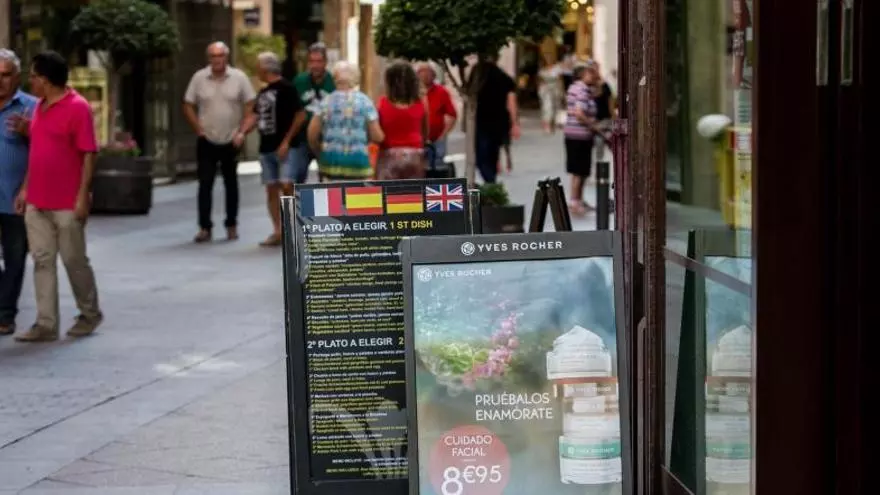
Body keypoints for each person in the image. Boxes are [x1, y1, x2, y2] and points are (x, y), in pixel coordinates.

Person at [10, 51, 102, 342]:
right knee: (42, 261)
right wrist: (25, 189)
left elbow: (88, 154)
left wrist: (83, 196)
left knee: (74, 260)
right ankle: (46, 324)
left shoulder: (78, 107)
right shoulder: (39, 107)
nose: (30, 81)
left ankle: (89, 314)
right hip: (37, 200)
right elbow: (38, 152)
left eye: (33, 76)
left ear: (46, 80)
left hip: (67, 202)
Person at [183, 41, 256, 243]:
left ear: (226, 57)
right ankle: (204, 227)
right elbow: (188, 104)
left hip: (231, 139)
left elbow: (251, 105)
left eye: (220, 55)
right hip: (206, 138)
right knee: (205, 184)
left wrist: (242, 132)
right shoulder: (199, 78)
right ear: (209, 58)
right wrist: (198, 129)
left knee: (231, 184)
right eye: (213, 56)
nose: (217, 60)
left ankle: (231, 224)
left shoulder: (239, 78)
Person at [242, 52, 306, 247]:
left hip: (287, 147)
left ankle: (292, 229)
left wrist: (286, 141)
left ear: (265, 68)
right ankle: (278, 231)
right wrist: (241, 133)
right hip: (267, 147)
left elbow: (300, 115)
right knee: (271, 188)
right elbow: (255, 116)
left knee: (287, 185)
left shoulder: (288, 88)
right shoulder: (263, 93)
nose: (256, 70)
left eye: (258, 66)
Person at [0, 49, 36, 337]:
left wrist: (31, 132)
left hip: (16, 197)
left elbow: (46, 152)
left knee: (14, 259)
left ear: (17, 77)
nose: (0, 81)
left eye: (5, 75)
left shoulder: (32, 108)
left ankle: (5, 314)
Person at [307, 61, 384, 182]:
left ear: (335, 79)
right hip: (358, 164)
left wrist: (319, 152)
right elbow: (377, 136)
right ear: (355, 78)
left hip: (330, 164)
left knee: (332, 194)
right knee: (356, 194)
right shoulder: (365, 102)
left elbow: (312, 135)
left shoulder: (325, 102)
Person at [376, 62, 427, 180]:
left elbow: (378, 132)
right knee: (414, 189)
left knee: (387, 189)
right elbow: (425, 131)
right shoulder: (421, 102)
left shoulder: (382, 103)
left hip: (389, 154)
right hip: (415, 153)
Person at [474, 56, 520, 184]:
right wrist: (514, 123)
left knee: (483, 155)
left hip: (483, 121)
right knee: (491, 152)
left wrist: (514, 123)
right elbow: (511, 101)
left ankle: (490, 180)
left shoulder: (477, 77)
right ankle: (491, 180)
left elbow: (511, 101)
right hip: (498, 121)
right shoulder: (503, 77)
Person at [293, 43, 336, 180]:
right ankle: (295, 198)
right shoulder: (299, 81)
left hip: (327, 139)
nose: (315, 65)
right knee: (295, 177)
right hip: (302, 138)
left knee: (328, 179)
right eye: (312, 61)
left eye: (319, 61)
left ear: (325, 62)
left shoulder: (334, 82)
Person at [563, 63, 599, 216]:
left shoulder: (574, 88)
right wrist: (593, 125)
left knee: (578, 170)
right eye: (590, 73)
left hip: (572, 134)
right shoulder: (582, 89)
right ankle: (575, 202)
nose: (593, 76)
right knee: (580, 170)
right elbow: (579, 113)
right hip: (580, 135)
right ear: (582, 75)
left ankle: (577, 200)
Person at [416, 62, 457, 174]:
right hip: (418, 139)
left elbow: (452, 114)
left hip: (437, 139)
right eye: (421, 72)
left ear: (433, 75)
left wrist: (444, 133)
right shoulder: (413, 93)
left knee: (438, 168)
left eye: (428, 72)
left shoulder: (441, 92)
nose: (425, 75)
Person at [537, 57, 562, 134]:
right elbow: (540, 81)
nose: (549, 61)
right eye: (547, 60)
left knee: (556, 106)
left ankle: (553, 124)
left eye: (550, 59)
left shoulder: (557, 69)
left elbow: (560, 80)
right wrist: (540, 89)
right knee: (547, 107)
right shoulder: (542, 70)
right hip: (545, 89)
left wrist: (562, 91)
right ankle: (546, 125)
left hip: (556, 89)